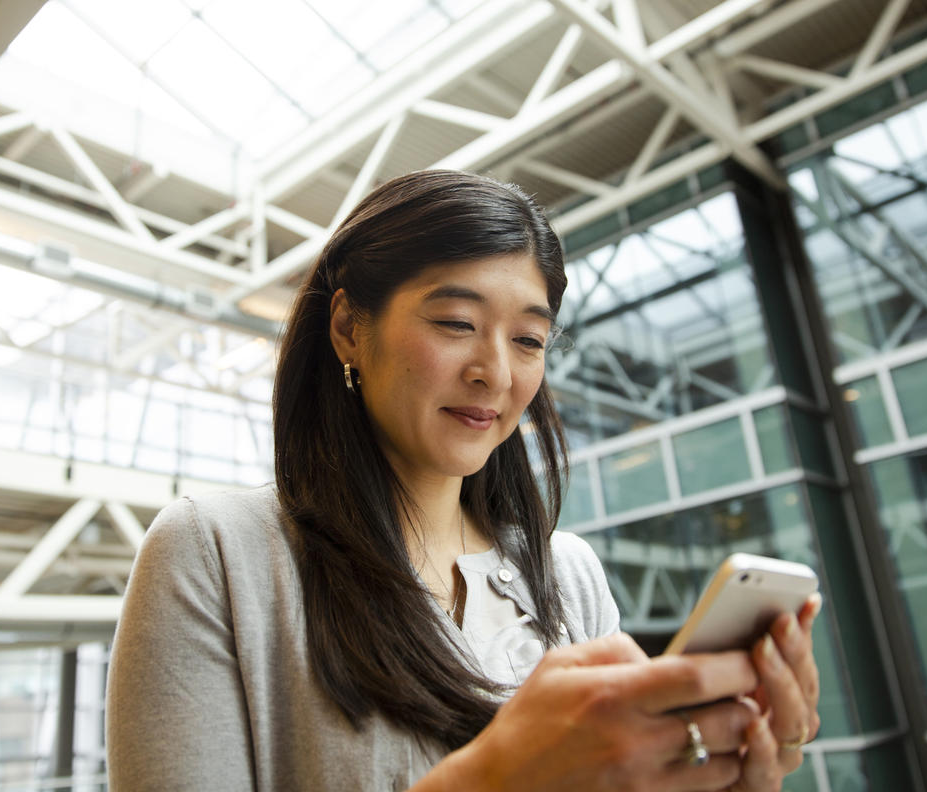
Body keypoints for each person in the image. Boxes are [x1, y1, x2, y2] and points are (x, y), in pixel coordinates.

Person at [106, 170, 823, 791]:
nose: (496, 372)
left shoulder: (566, 575)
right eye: (455, 322)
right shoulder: (216, 553)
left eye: (529, 340)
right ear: (349, 328)